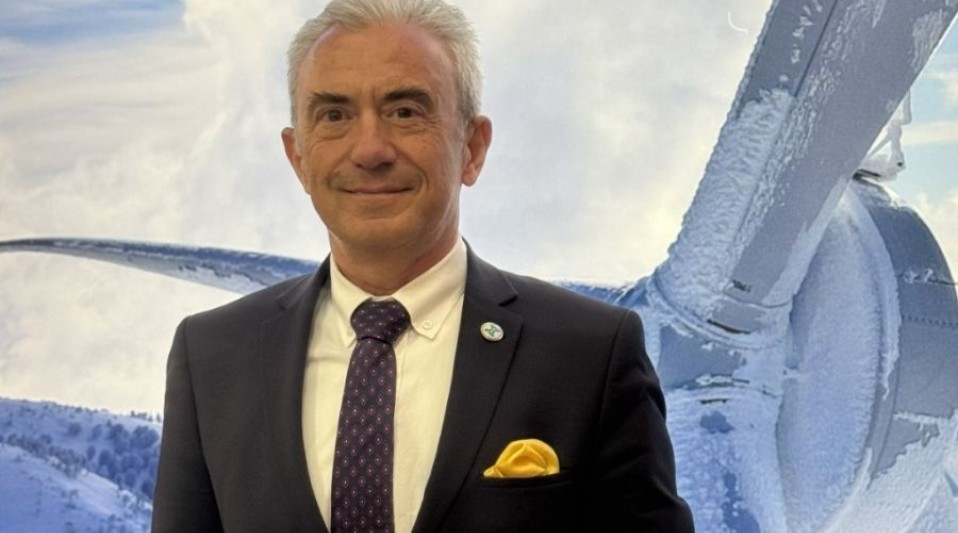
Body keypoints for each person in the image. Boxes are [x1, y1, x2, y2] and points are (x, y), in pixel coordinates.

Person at [152, 0, 694, 531]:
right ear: (298, 157)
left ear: (472, 148)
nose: (370, 149)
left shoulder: (589, 354)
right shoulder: (212, 357)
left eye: (405, 112)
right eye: (334, 115)